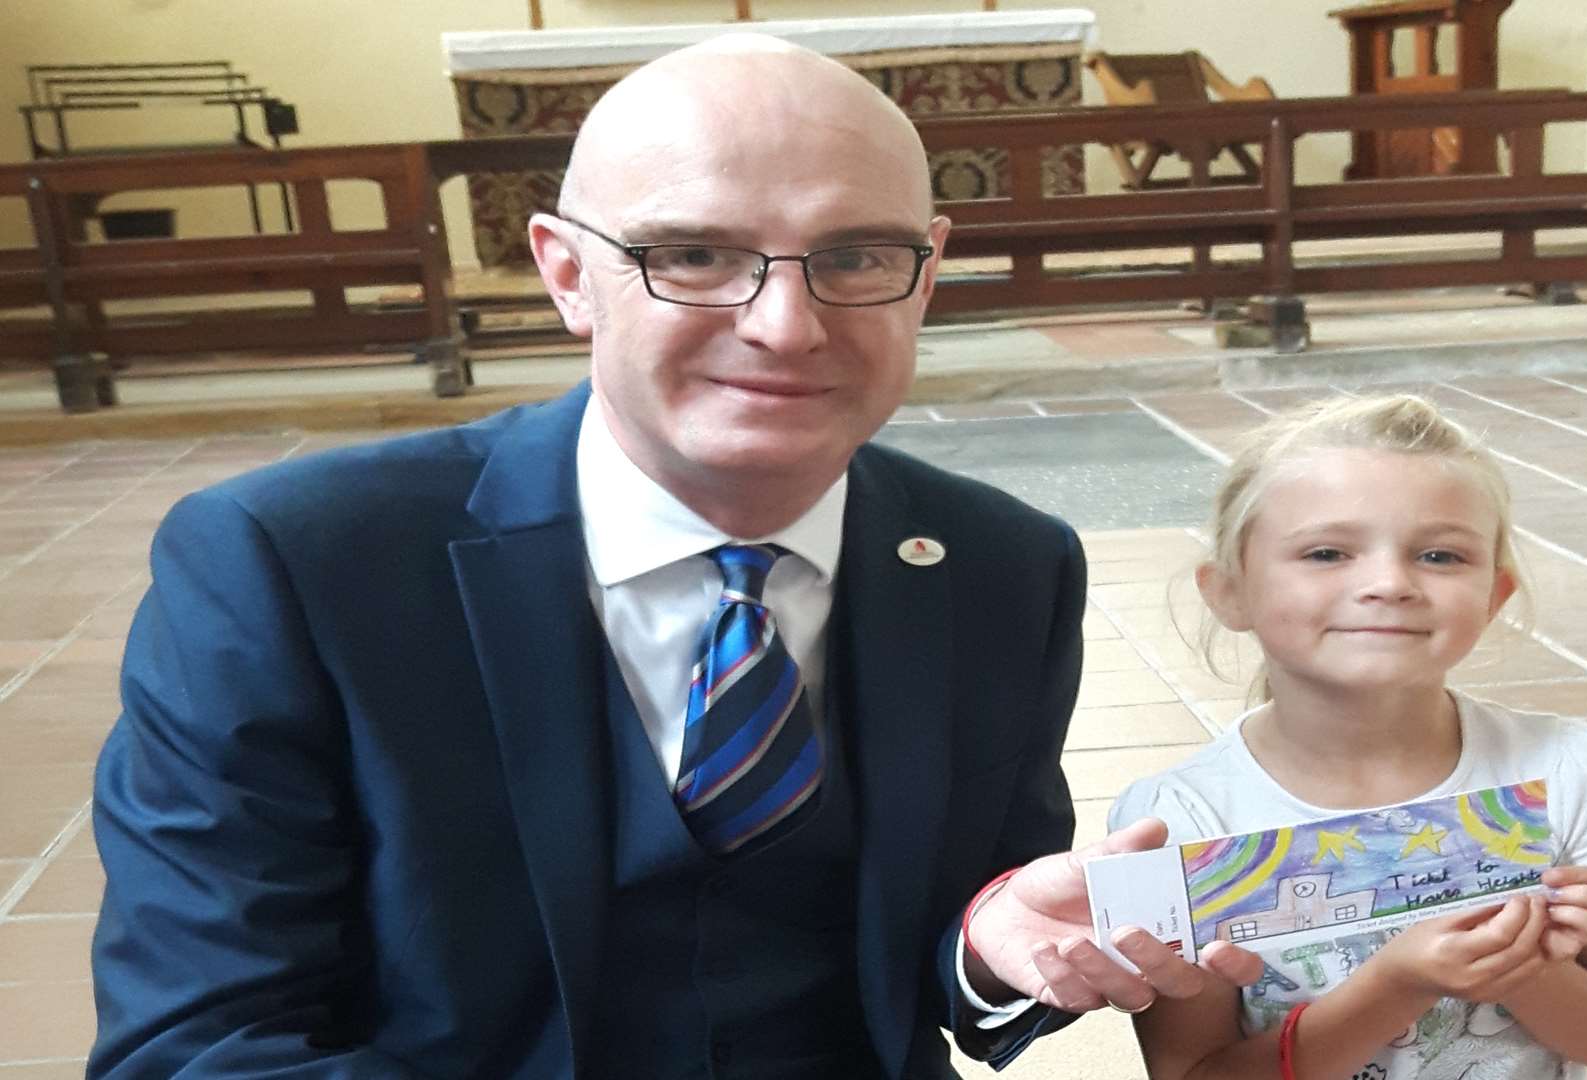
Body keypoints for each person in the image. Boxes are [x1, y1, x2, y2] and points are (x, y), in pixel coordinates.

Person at [87, 36, 1254, 1079]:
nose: (785, 325)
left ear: (928, 273)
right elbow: (200, 1045)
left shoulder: (1004, 566)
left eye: (854, 256)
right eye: (694, 254)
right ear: (565, 274)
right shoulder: (295, 568)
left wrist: (991, 951)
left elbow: (957, 944)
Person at [1107, 395, 1587, 1079]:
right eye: (1326, 553)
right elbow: (1192, 1073)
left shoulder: (1571, 770)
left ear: (1494, 595)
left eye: (1440, 555)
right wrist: (1395, 985)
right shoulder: (1171, 824)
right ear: (1229, 591)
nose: (1388, 583)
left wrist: (1528, 969)